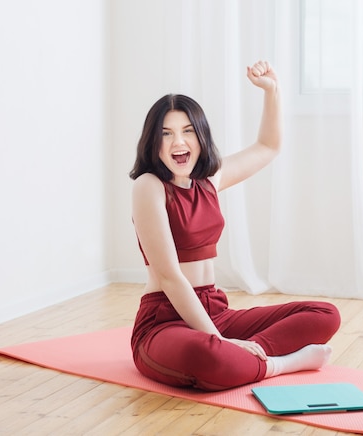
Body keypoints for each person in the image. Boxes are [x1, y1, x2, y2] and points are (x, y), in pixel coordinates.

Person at [128, 60, 341, 391]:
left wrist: (273, 91)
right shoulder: (148, 187)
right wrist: (219, 342)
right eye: (166, 134)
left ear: (201, 137)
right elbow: (170, 277)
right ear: (153, 142)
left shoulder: (210, 180)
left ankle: (242, 358)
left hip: (215, 311)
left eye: (187, 131)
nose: (177, 142)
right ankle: (279, 364)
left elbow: (268, 147)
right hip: (164, 321)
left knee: (325, 314)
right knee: (209, 355)